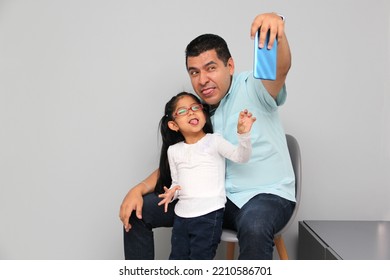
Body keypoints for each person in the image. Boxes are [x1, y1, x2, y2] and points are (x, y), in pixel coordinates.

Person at [119, 12, 295, 260]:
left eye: (210, 68)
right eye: (194, 72)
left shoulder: (254, 87)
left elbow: (280, 69)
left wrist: (276, 27)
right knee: (139, 211)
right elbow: (185, 157)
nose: (202, 80)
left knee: (254, 227)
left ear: (230, 66)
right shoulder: (199, 112)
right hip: (213, 199)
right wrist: (138, 189)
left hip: (264, 197)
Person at [156, 92, 256, 259]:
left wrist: (243, 135)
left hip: (209, 213)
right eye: (182, 111)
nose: (191, 112)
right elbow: (177, 183)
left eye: (195, 107)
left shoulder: (214, 141)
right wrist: (172, 193)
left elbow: (241, 157)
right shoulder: (173, 151)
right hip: (182, 216)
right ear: (173, 125)